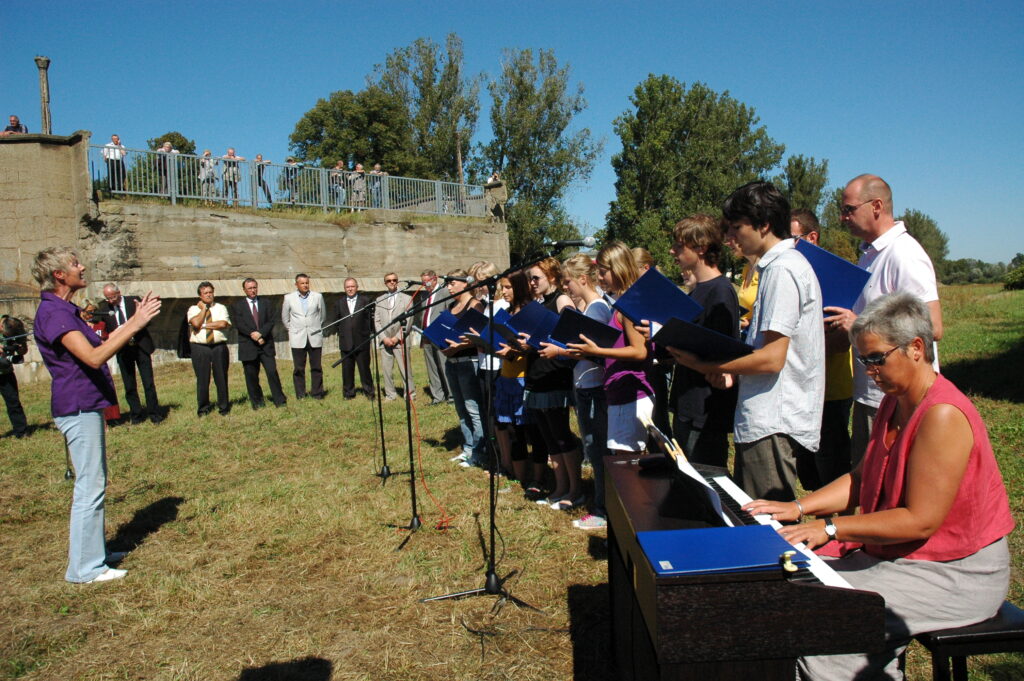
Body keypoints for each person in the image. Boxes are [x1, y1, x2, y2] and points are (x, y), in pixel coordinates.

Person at [745, 293, 1013, 681]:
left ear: (916, 348)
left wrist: (832, 528)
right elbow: (862, 477)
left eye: (875, 359)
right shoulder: (896, 398)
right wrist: (800, 508)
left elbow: (919, 521)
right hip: (906, 557)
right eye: (862, 360)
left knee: (833, 620)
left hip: (955, 573)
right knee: (792, 590)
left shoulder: (941, 415)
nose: (868, 370)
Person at [669, 182, 824, 502]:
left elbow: (771, 359)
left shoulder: (783, 270)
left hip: (773, 422)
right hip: (762, 418)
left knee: (768, 528)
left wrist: (707, 364)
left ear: (764, 225)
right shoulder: (775, 269)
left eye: (737, 227)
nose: (730, 237)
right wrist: (733, 371)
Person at [31, 246, 161, 583]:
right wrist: (135, 326)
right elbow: (93, 357)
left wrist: (135, 320)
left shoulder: (65, 310)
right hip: (76, 405)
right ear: (59, 275)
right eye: (75, 264)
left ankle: (94, 554)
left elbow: (101, 344)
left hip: (85, 404)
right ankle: (85, 569)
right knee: (90, 486)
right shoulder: (55, 313)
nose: (82, 267)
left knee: (94, 482)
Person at [823, 174, 943, 469]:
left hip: (898, 399)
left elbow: (932, 327)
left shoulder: (904, 255)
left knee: (893, 487)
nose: (843, 217)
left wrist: (860, 325)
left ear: (876, 205)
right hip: (874, 393)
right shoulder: (870, 256)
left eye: (849, 209)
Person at [665, 215, 739, 468]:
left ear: (701, 247)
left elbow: (723, 353)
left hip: (705, 409)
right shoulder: (698, 290)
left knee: (706, 480)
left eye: (678, 245)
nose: (672, 250)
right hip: (687, 399)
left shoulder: (720, 290)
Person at [792, 209, 853, 488]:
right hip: (801, 388)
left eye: (792, 239)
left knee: (832, 467)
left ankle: (836, 527)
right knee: (809, 471)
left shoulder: (835, 276)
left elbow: (842, 341)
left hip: (831, 389)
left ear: (812, 238)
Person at [559, 253, 613, 529]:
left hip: (595, 388)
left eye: (568, 281)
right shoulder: (589, 309)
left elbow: (599, 353)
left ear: (582, 279)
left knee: (598, 448)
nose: (566, 287)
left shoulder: (599, 309)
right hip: (585, 385)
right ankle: (600, 502)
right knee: (594, 448)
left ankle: (604, 509)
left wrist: (561, 350)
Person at [525, 257, 582, 507]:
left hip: (555, 375)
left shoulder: (561, 300)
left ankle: (575, 490)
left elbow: (572, 337)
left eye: (536, 277)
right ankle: (560, 487)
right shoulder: (539, 303)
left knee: (562, 437)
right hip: (537, 374)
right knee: (550, 439)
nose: (532, 282)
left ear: (551, 276)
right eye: (530, 279)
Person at [440, 269, 486, 468]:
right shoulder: (451, 306)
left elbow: (477, 337)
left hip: (469, 362)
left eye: (452, 283)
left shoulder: (475, 305)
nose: (449, 287)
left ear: (465, 283)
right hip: (452, 362)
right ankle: (468, 448)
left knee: (473, 408)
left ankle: (479, 451)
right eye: (448, 283)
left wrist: (459, 346)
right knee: (460, 408)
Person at [99, 283, 163, 424]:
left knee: (148, 383)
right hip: (123, 349)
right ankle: (136, 415)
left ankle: (154, 413)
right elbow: (102, 329)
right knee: (129, 384)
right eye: (108, 298)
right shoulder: (104, 309)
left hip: (140, 347)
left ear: (119, 293)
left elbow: (147, 320)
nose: (111, 301)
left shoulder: (133, 301)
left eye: (113, 297)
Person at [232, 278, 287, 410]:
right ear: (244, 290)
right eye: (250, 288)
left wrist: (261, 334)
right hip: (248, 346)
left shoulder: (266, 303)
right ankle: (257, 402)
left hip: (265, 345)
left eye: (254, 287)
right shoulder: (238, 306)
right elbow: (239, 324)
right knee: (251, 376)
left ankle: (280, 400)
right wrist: (254, 335)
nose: (253, 290)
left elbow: (271, 321)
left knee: (272, 372)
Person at [187, 281, 231, 416]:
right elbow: (195, 323)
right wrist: (204, 310)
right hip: (200, 348)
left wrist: (204, 326)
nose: (209, 295)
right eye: (205, 293)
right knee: (202, 378)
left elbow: (223, 323)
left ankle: (223, 407)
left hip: (219, 347)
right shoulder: (193, 309)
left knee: (221, 377)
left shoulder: (221, 307)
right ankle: (203, 408)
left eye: (210, 292)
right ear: (200, 296)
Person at [281, 273, 326, 399]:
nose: (305, 285)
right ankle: (300, 394)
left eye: (307, 283)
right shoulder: (289, 298)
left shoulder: (317, 297)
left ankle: (317, 393)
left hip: (314, 336)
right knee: (299, 368)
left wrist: (315, 327)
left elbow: (322, 316)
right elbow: (285, 318)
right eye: (302, 283)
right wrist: (293, 330)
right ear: (296, 284)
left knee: (316, 367)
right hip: (297, 337)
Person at [374, 273, 414, 401]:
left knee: (405, 369)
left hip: (400, 339)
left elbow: (409, 320)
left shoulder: (407, 299)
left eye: (394, 280)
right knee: (386, 370)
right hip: (385, 339)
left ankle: (410, 393)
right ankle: (390, 394)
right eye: (389, 280)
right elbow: (377, 321)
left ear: (398, 282)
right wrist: (383, 337)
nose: (392, 282)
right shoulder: (379, 299)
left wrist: (397, 337)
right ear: (385, 283)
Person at [80, 301, 122, 426]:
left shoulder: (100, 325)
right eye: (89, 311)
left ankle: (110, 417)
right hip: (86, 360)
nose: (91, 314)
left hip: (100, 360)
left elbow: (106, 338)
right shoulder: (78, 327)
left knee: (105, 387)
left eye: (93, 311)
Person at [335, 278, 375, 399]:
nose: (350, 289)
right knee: (347, 369)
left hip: (362, 341)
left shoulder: (365, 301)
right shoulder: (339, 302)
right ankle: (349, 393)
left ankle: (369, 391)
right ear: (344, 288)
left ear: (357, 287)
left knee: (364, 368)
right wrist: (343, 334)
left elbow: (370, 321)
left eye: (352, 286)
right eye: (348, 287)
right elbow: (337, 322)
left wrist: (367, 334)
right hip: (346, 341)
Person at [415, 270, 451, 404]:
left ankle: (451, 395)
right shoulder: (424, 295)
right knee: (432, 367)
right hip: (427, 335)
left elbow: (449, 313)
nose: (425, 285)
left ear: (434, 279)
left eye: (427, 282)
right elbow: (423, 315)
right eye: (423, 282)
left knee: (444, 364)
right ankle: (438, 396)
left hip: (441, 335)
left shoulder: (444, 292)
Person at [0, 314, 29, 438]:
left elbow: (23, 351)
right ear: (1, 327)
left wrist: (21, 348)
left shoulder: (15, 329)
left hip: (5, 372)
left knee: (13, 402)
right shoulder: (6, 326)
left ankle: (21, 431)